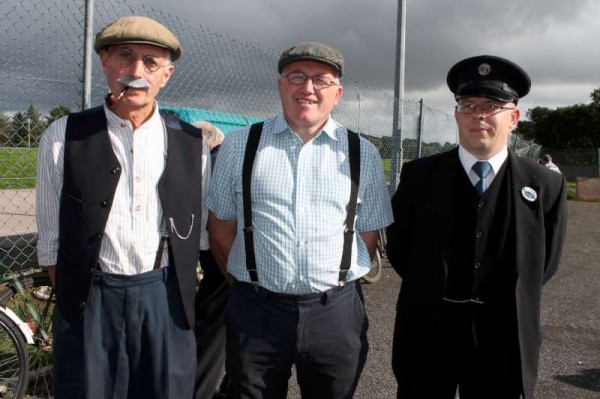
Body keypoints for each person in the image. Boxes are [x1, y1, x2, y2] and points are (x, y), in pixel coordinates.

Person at [206, 42, 393, 398]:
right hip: (256, 310)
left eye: (321, 80)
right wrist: (249, 280)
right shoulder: (240, 144)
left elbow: (367, 235)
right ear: (281, 85)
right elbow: (220, 227)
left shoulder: (362, 153)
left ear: (337, 94)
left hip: (335, 314)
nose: (307, 88)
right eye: (297, 77)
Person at [36, 16, 206, 398]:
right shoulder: (62, 137)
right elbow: (51, 243)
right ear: (105, 64)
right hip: (92, 298)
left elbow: (197, 232)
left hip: (164, 300)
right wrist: (81, 300)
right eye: (124, 57)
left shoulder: (191, 143)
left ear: (166, 74)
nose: (135, 71)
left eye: (150, 61)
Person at [386, 55, 568, 399]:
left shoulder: (545, 185)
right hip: (429, 331)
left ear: (513, 117)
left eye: (491, 105)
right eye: (468, 105)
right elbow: (399, 247)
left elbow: (544, 262)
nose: (478, 114)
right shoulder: (419, 176)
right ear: (456, 114)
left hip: (503, 334)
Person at [192, 120, 230, 399]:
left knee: (211, 330)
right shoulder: (227, 157)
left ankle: (198, 391)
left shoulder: (215, 162)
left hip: (220, 257)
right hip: (232, 255)